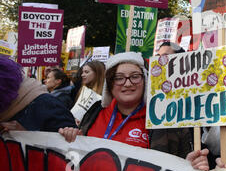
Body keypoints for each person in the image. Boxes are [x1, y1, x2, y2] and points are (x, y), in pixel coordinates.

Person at [59, 51, 192, 157]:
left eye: (135, 76)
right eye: (119, 78)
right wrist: (75, 139)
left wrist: (192, 163)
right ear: (109, 84)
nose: (128, 84)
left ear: (145, 80)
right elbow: (78, 157)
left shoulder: (164, 118)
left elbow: (180, 164)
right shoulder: (95, 111)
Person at [0, 56, 77, 133]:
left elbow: (72, 140)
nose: (45, 81)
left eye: (48, 78)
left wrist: (26, 135)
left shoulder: (47, 103)